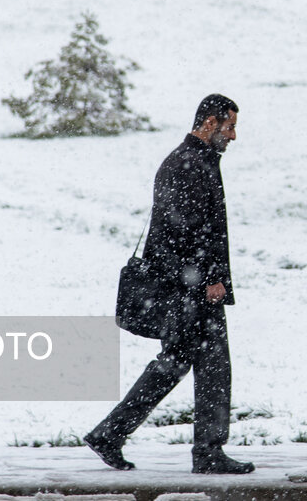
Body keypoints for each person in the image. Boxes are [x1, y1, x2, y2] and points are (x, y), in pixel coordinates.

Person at [84, 94, 254, 475]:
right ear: (209, 123)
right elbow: (184, 231)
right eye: (229, 127)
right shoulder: (186, 163)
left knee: (178, 362)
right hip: (188, 288)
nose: (234, 136)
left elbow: (197, 230)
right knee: (209, 365)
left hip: (186, 286)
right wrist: (209, 278)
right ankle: (206, 452)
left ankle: (112, 433)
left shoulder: (199, 161)